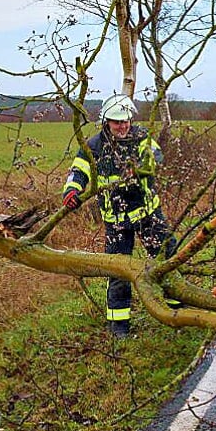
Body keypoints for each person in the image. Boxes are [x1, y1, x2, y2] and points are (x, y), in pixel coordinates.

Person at [61, 94, 177, 337]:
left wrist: (142, 166)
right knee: (117, 271)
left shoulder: (140, 137)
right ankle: (119, 324)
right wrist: (72, 190)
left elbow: (157, 156)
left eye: (125, 121)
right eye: (117, 122)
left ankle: (178, 306)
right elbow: (78, 171)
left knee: (167, 257)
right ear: (106, 122)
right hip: (116, 221)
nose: (123, 126)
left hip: (147, 214)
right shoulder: (93, 146)